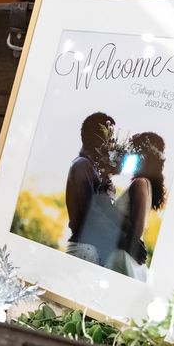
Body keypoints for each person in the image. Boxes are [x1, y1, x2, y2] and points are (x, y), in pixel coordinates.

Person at [65, 112, 124, 266]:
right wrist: (123, 238)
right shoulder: (82, 165)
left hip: (90, 249)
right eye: (109, 136)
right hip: (84, 249)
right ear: (98, 137)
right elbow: (89, 215)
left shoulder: (90, 167)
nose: (111, 142)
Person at [106, 132, 167, 281]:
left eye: (134, 151)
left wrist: (108, 208)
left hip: (123, 255)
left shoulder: (140, 183)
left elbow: (137, 229)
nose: (130, 155)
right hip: (124, 252)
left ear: (143, 156)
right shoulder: (144, 183)